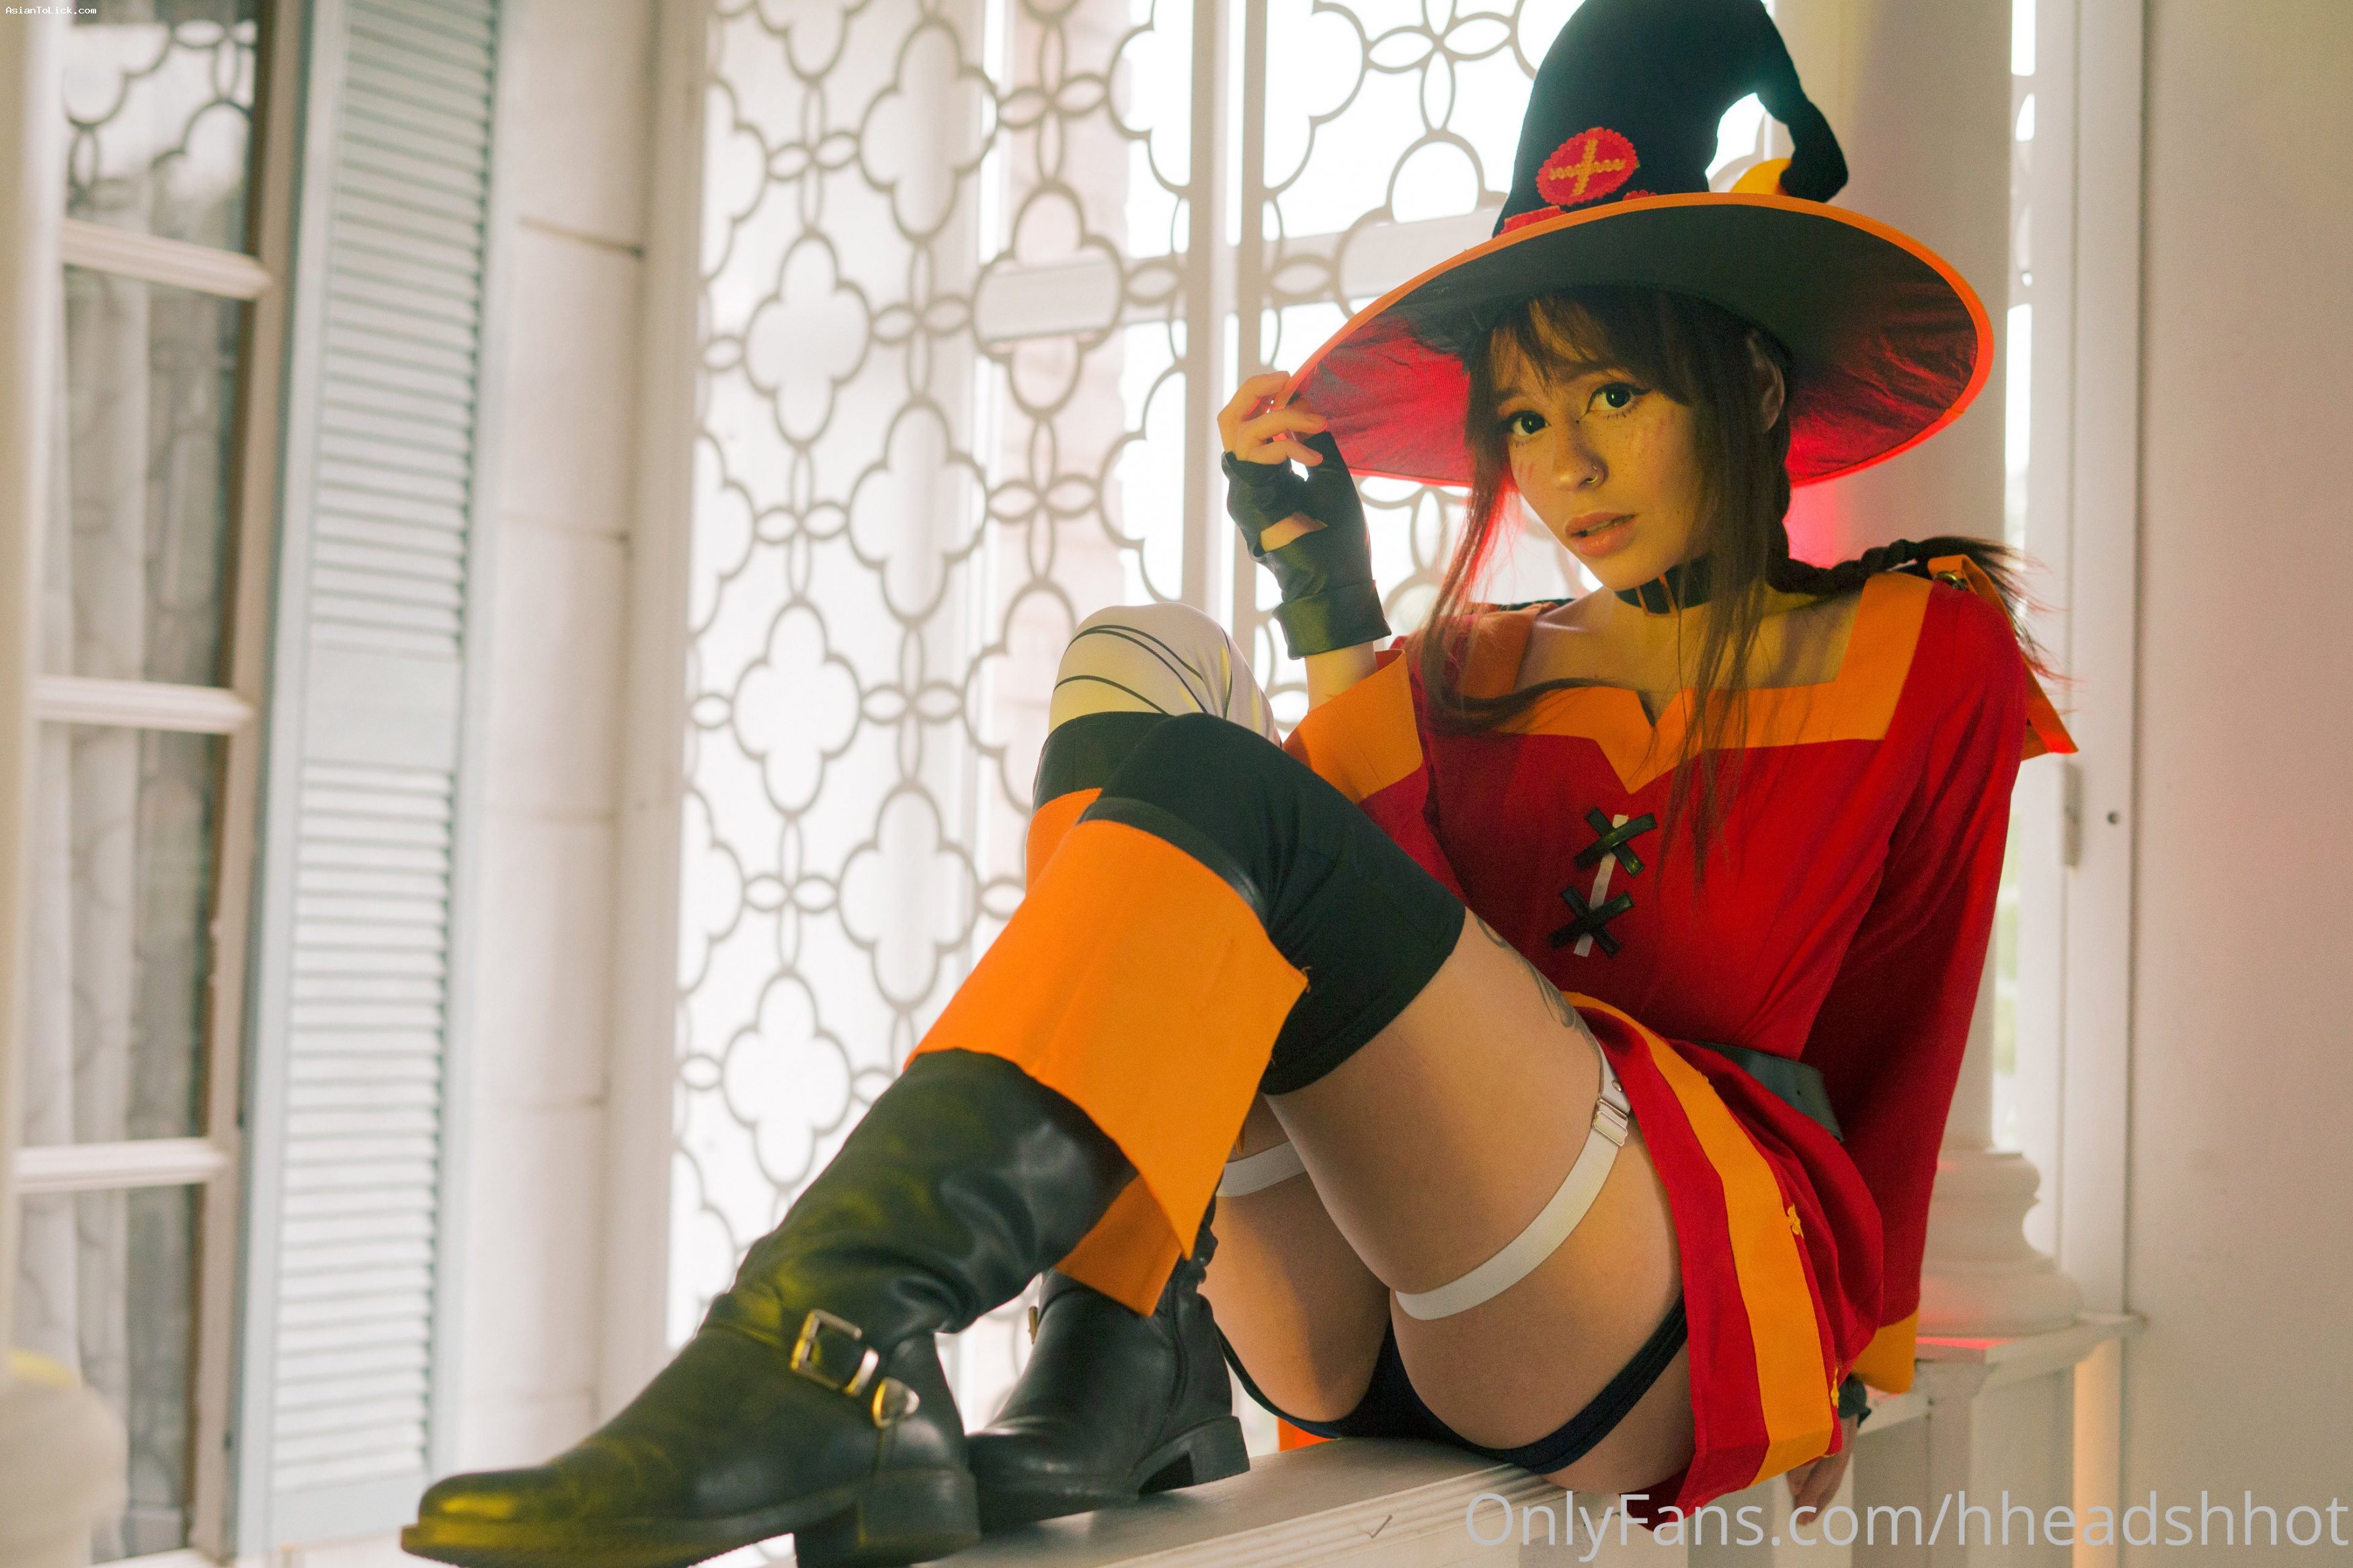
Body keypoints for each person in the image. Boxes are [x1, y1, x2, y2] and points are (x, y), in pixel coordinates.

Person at [401, 3, 2071, 1565]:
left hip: (1631, 1305)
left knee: (1226, 789)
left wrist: (1863, 1347)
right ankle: (1118, 1348)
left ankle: (822, 1342)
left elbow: (1904, 1019)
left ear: (1750, 385)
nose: (1560, 466)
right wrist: (1324, 600)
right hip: (1360, 1291)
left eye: (1613, 396)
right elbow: (1399, 957)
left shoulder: (1922, 646)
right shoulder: (1485, 663)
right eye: (1521, 416)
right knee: (1144, 660)